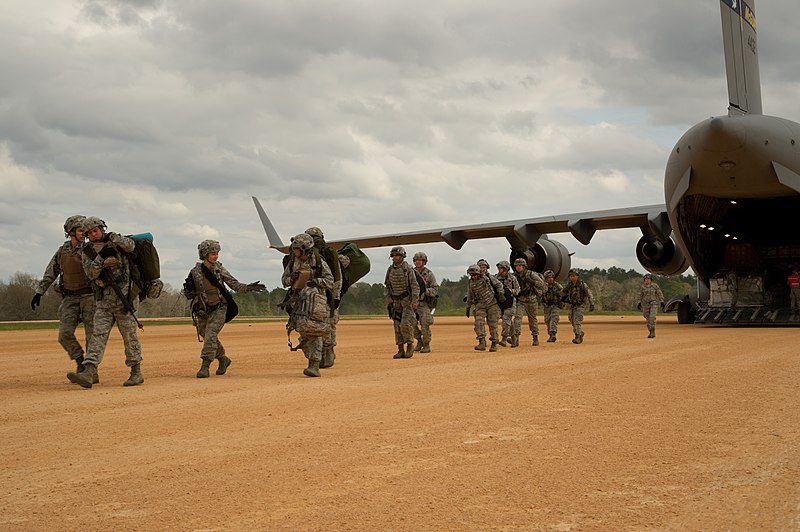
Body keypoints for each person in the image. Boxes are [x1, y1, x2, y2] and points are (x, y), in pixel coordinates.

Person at [67, 217, 143, 388]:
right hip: (104, 301)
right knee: (98, 336)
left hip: (126, 299)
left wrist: (116, 240)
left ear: (102, 229)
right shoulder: (87, 251)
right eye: (89, 233)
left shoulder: (115, 241)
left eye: (96, 230)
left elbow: (131, 247)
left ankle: (136, 372)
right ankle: (89, 371)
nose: (94, 235)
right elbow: (91, 274)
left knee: (129, 337)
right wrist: (101, 258)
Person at [184, 240, 266, 378]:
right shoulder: (195, 272)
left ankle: (205, 366)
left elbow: (234, 284)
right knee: (207, 335)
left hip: (220, 307)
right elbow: (189, 290)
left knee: (210, 333)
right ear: (204, 254)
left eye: (217, 253)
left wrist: (248, 287)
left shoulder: (219, 269)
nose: (216, 256)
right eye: (212, 254)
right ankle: (223, 359)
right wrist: (189, 291)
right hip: (203, 309)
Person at [31, 215, 96, 381]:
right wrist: (39, 292)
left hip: (90, 297)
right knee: (64, 334)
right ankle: (80, 362)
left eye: (85, 231)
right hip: (70, 299)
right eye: (81, 230)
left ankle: (90, 372)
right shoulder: (62, 251)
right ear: (70, 232)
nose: (84, 233)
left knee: (92, 337)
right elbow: (50, 272)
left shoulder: (90, 249)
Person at [282, 233, 334, 377]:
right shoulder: (293, 261)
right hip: (299, 302)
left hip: (315, 302)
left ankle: (314, 365)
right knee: (303, 335)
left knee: (314, 331)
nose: (294, 252)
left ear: (305, 249)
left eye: (297, 249)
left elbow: (330, 281)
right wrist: (291, 279)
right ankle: (313, 359)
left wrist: (314, 280)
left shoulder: (318, 262)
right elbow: (284, 281)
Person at [305, 227, 341, 368]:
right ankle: (315, 356)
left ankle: (328, 352)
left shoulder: (328, 255)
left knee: (327, 327)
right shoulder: (302, 256)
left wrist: (335, 298)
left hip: (326, 297)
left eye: (315, 237)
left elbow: (337, 278)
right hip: (308, 299)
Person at [384, 246, 419, 359]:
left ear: (402, 256)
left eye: (397, 255)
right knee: (397, 326)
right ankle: (400, 349)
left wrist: (414, 301)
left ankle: (409, 345)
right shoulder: (390, 269)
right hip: (395, 302)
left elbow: (415, 286)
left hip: (407, 301)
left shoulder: (408, 269)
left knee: (405, 324)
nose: (394, 257)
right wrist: (388, 297)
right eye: (393, 256)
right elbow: (387, 285)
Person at [466, 263, 504, 352]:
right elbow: (470, 294)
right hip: (480, 305)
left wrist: (501, 294)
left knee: (492, 324)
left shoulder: (487, 278)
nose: (473, 277)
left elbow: (498, 285)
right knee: (478, 322)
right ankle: (482, 342)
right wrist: (468, 306)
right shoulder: (471, 282)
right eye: (471, 275)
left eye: (475, 275)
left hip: (492, 304)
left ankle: (494, 343)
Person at [512, 258, 545, 347]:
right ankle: (516, 338)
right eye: (516, 266)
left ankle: (535, 337)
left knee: (532, 319)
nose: (518, 267)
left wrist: (532, 281)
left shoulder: (531, 274)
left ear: (524, 266)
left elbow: (541, 284)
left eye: (520, 266)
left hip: (531, 299)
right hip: (521, 300)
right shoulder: (514, 276)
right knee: (517, 319)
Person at [412, 251, 439, 353]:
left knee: (425, 324)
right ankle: (419, 340)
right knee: (411, 324)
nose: (418, 262)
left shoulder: (429, 274)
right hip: (412, 303)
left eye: (420, 260)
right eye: (416, 260)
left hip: (424, 303)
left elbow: (435, 289)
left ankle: (426, 344)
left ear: (424, 262)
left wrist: (425, 291)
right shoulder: (410, 273)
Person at [561, 269, 594, 344]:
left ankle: (578, 336)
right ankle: (580, 332)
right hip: (571, 305)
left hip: (580, 306)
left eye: (574, 276)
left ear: (577, 276)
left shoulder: (583, 285)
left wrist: (592, 303)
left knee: (576, 321)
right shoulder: (569, 285)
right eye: (570, 276)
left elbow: (589, 294)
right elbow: (563, 293)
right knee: (571, 320)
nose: (572, 277)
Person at [495, 260, 520, 347]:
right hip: (501, 303)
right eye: (499, 268)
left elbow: (518, 290)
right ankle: (514, 339)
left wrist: (511, 291)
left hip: (510, 302)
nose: (499, 269)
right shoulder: (496, 278)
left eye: (501, 268)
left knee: (506, 319)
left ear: (506, 269)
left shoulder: (512, 278)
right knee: (508, 321)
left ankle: (504, 339)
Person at [638, 273, 664, 338]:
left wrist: (662, 301)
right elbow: (640, 295)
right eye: (646, 279)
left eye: (648, 279)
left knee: (652, 317)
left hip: (653, 303)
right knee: (647, 319)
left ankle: (652, 331)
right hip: (645, 304)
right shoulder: (642, 287)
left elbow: (659, 293)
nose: (647, 280)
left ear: (651, 280)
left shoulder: (655, 286)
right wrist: (638, 302)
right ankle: (650, 331)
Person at [541, 269, 564, 343]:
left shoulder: (557, 286)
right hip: (547, 306)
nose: (550, 279)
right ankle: (550, 335)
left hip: (555, 305)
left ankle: (553, 334)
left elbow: (563, 293)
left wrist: (558, 294)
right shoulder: (543, 286)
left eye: (551, 277)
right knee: (547, 320)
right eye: (548, 277)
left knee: (554, 319)